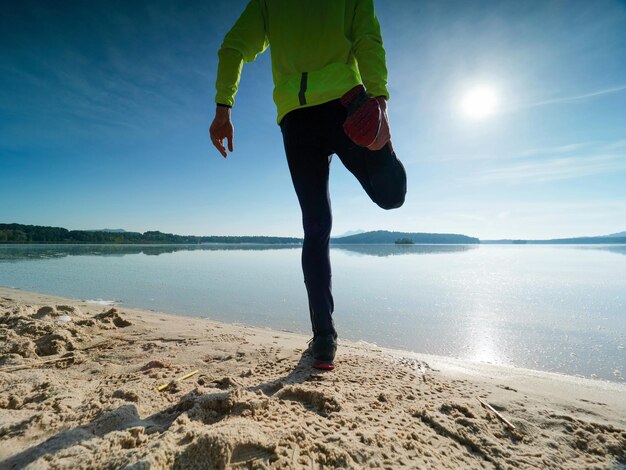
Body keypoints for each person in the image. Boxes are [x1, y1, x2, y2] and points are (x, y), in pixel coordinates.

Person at [210, 0, 407, 370]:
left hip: (342, 106)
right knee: (317, 225)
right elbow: (234, 46)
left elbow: (368, 39)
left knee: (388, 197)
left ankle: (383, 142)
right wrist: (378, 97)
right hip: (301, 119)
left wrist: (224, 108)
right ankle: (324, 338)